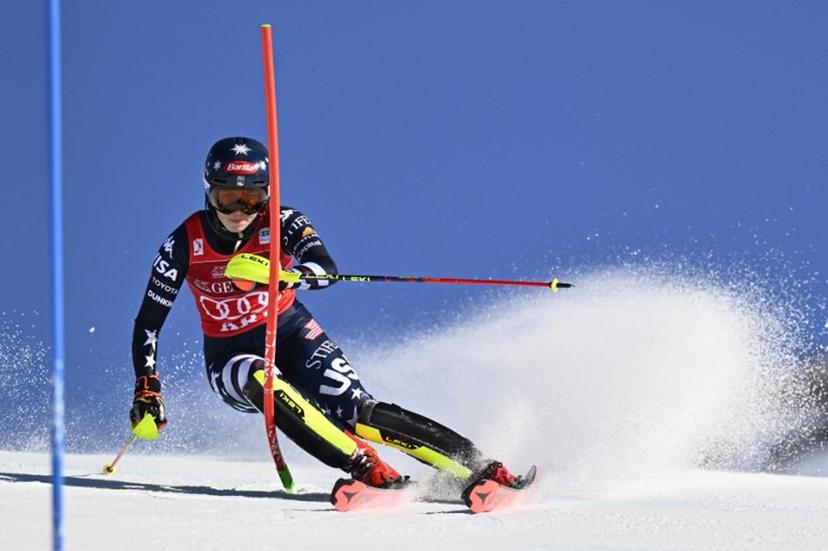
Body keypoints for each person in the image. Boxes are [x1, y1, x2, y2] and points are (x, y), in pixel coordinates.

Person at [130, 136, 520, 492]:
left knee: (358, 411)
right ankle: (367, 468)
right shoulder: (183, 243)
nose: (239, 211)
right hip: (228, 354)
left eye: (251, 199)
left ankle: (477, 468)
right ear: (208, 193)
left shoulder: (283, 222)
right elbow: (149, 321)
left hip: (291, 331)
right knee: (260, 380)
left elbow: (324, 267)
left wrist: (286, 277)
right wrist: (148, 385)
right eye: (227, 198)